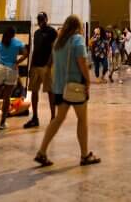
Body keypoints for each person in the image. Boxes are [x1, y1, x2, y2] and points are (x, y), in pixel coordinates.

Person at [34, 14, 100, 168]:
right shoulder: (77, 40)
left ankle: (42, 151)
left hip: (59, 88)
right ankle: (84, 155)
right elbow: (82, 63)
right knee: (82, 120)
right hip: (74, 86)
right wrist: (88, 82)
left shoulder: (58, 42)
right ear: (78, 27)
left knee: (58, 119)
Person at [0, 26, 26, 131]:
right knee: (6, 97)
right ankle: (2, 123)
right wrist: (17, 62)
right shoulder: (18, 43)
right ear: (14, 34)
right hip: (12, 70)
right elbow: (26, 53)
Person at [24, 12, 58, 129]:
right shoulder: (36, 33)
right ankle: (35, 118)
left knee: (50, 92)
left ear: (46, 19)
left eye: (42, 19)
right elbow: (35, 50)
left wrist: (49, 65)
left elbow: (54, 49)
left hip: (46, 66)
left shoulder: (52, 32)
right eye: (39, 19)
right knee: (34, 92)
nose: (40, 22)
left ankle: (53, 117)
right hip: (35, 66)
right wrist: (31, 66)